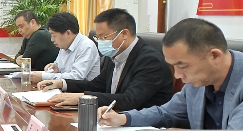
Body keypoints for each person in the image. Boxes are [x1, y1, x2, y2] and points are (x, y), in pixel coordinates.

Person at [98, 18, 243, 130]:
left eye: (183, 66)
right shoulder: (200, 81)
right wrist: (123, 118)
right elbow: (166, 113)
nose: (178, 75)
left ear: (214, 56)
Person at [39, 8, 173, 110]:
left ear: (124, 34)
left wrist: (82, 97)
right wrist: (62, 83)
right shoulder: (114, 54)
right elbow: (97, 85)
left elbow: (130, 100)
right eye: (98, 38)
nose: (100, 42)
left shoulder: (150, 61)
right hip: (112, 117)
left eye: (103, 37)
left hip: (143, 126)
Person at [28, 12, 99, 84]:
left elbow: (76, 77)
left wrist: (44, 76)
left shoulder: (86, 46)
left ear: (68, 33)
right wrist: (55, 67)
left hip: (83, 90)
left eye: (54, 36)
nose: (52, 39)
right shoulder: (65, 45)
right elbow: (59, 67)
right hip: (64, 88)